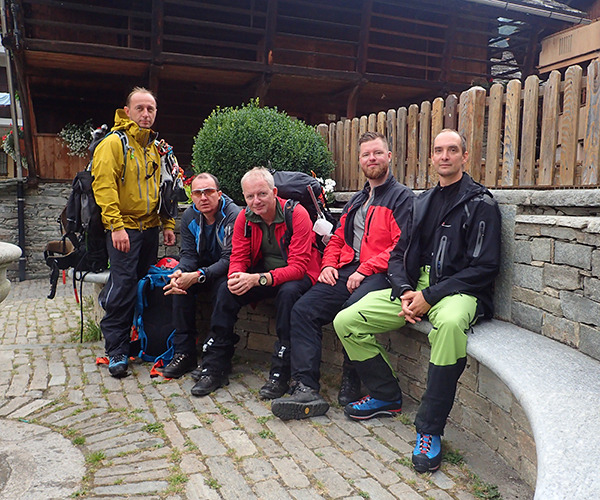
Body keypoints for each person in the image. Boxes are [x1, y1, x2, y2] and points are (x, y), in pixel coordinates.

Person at [333, 129, 501, 473]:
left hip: (458, 291)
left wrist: (429, 296)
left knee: (451, 326)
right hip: (416, 288)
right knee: (345, 321)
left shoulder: (481, 203)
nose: (444, 156)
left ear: (464, 157)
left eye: (452, 150)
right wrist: (404, 288)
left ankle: (429, 429)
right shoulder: (421, 202)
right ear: (431, 158)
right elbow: (398, 254)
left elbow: (484, 267)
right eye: (438, 150)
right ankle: (386, 395)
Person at [270, 131, 414, 420]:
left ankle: (353, 376)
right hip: (347, 270)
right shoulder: (358, 199)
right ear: (359, 160)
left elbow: (403, 247)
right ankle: (305, 387)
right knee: (303, 310)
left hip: (383, 272)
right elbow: (336, 237)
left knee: (350, 311)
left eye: (377, 153)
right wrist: (328, 265)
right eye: (365, 155)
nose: (371, 158)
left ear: (389, 156)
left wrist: (365, 269)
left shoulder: (403, 198)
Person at [191, 167, 321, 398]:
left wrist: (258, 279)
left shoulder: (297, 214)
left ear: (274, 192)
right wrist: (236, 278)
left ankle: (281, 371)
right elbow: (238, 257)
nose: (256, 201)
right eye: (250, 196)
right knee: (224, 289)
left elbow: (299, 267)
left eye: (262, 194)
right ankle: (215, 366)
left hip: (297, 275)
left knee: (288, 294)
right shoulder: (244, 218)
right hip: (263, 273)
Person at [92, 86, 176, 378]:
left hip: (150, 229)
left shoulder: (154, 147)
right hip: (123, 230)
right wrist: (115, 226)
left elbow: (165, 188)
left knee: (143, 285)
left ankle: (140, 339)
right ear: (127, 111)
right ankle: (116, 350)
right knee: (123, 287)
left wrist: (167, 224)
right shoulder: (114, 144)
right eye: (140, 108)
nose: (146, 114)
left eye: (150, 109)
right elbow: (104, 187)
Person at [159, 173, 241, 379]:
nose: (203, 197)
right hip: (203, 269)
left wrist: (197, 275)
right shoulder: (190, 216)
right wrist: (181, 272)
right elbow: (188, 254)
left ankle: (215, 355)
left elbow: (230, 259)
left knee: (224, 289)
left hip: (227, 270)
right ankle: (184, 353)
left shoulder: (233, 215)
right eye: (197, 193)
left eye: (209, 192)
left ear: (219, 194)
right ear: (192, 196)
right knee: (178, 286)